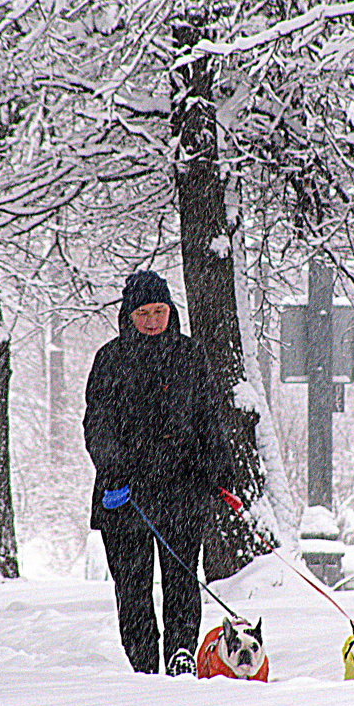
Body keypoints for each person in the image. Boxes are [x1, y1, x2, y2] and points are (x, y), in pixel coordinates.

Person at [83, 270, 233, 676]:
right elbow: (97, 422)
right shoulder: (110, 359)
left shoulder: (190, 356)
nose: (152, 320)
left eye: (160, 310)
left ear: (171, 311)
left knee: (182, 580)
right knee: (132, 588)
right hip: (125, 491)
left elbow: (208, 419)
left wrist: (218, 468)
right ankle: (144, 663)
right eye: (144, 312)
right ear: (129, 315)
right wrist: (112, 469)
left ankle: (181, 653)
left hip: (180, 489)